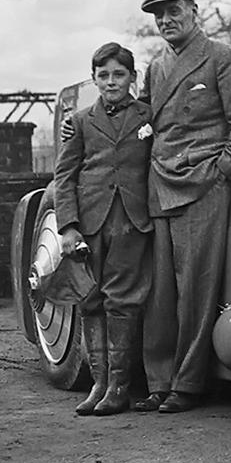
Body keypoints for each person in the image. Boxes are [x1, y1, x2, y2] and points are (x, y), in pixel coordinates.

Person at [133, 0, 231, 414]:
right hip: (160, 182)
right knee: (160, 293)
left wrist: (220, 173)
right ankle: (159, 380)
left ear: (193, 11)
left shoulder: (225, 58)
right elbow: (142, 120)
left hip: (203, 185)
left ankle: (187, 384)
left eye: (174, 12)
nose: (166, 21)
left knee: (196, 289)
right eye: (159, 16)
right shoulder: (155, 67)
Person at [54, 42, 154, 416]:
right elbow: (65, 175)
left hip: (131, 220)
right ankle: (98, 383)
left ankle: (119, 387)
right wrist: (68, 226)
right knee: (90, 298)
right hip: (90, 221)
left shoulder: (149, 116)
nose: (111, 82)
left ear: (131, 77)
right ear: (94, 78)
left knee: (123, 300)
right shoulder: (79, 121)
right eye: (103, 75)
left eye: (118, 74)